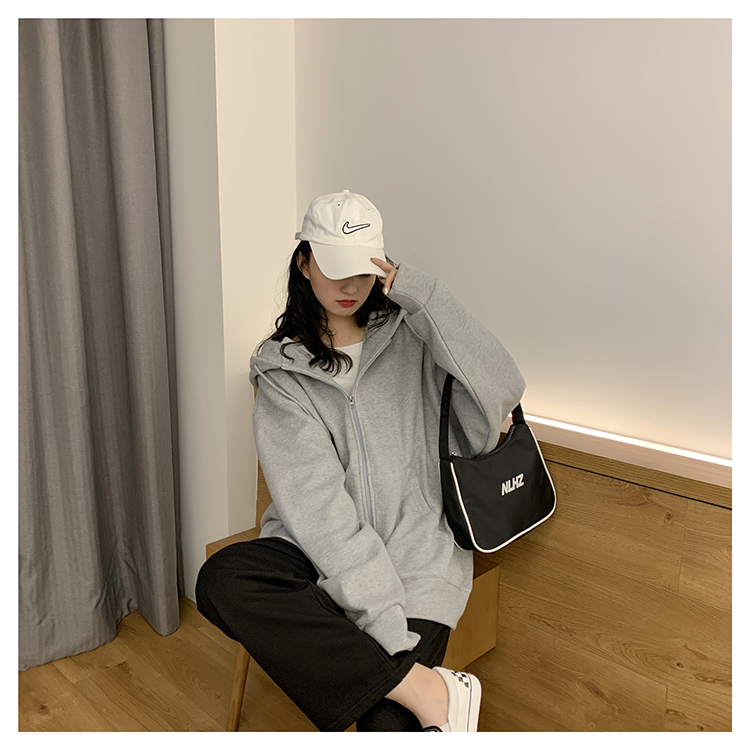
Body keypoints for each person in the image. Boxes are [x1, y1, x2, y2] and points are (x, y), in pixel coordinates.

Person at [196, 190, 526, 732]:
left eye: (363, 270)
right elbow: (317, 509)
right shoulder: (282, 373)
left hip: (416, 551)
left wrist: (426, 297)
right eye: (334, 269)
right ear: (305, 263)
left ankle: (403, 687)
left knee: (387, 725)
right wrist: (384, 625)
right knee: (222, 579)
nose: (350, 286)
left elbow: (503, 387)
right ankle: (426, 688)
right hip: (314, 549)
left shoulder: (415, 339)